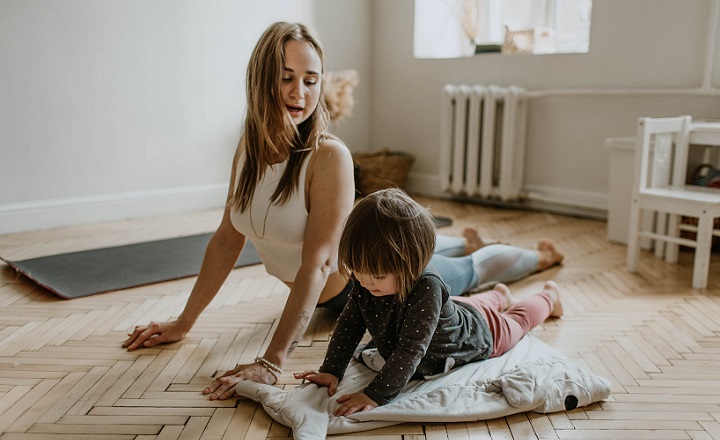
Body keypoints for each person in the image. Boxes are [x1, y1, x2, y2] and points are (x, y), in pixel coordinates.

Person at [121, 21, 563, 401]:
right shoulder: (248, 150)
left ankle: (537, 260)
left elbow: (318, 263)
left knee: (467, 270)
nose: (300, 92)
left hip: (379, 284)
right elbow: (225, 239)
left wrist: (272, 362)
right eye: (286, 77)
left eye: (311, 80)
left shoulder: (327, 156)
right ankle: (473, 259)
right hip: (361, 277)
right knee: (453, 262)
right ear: (260, 79)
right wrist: (184, 321)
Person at [294, 188, 564, 416]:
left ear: (411, 263)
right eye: (358, 272)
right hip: (455, 311)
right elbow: (350, 323)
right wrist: (331, 370)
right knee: (470, 306)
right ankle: (499, 295)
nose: (365, 283)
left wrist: (375, 394)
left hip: (478, 333)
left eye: (376, 275)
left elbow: (411, 350)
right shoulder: (368, 281)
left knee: (517, 320)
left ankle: (549, 297)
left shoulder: (427, 287)